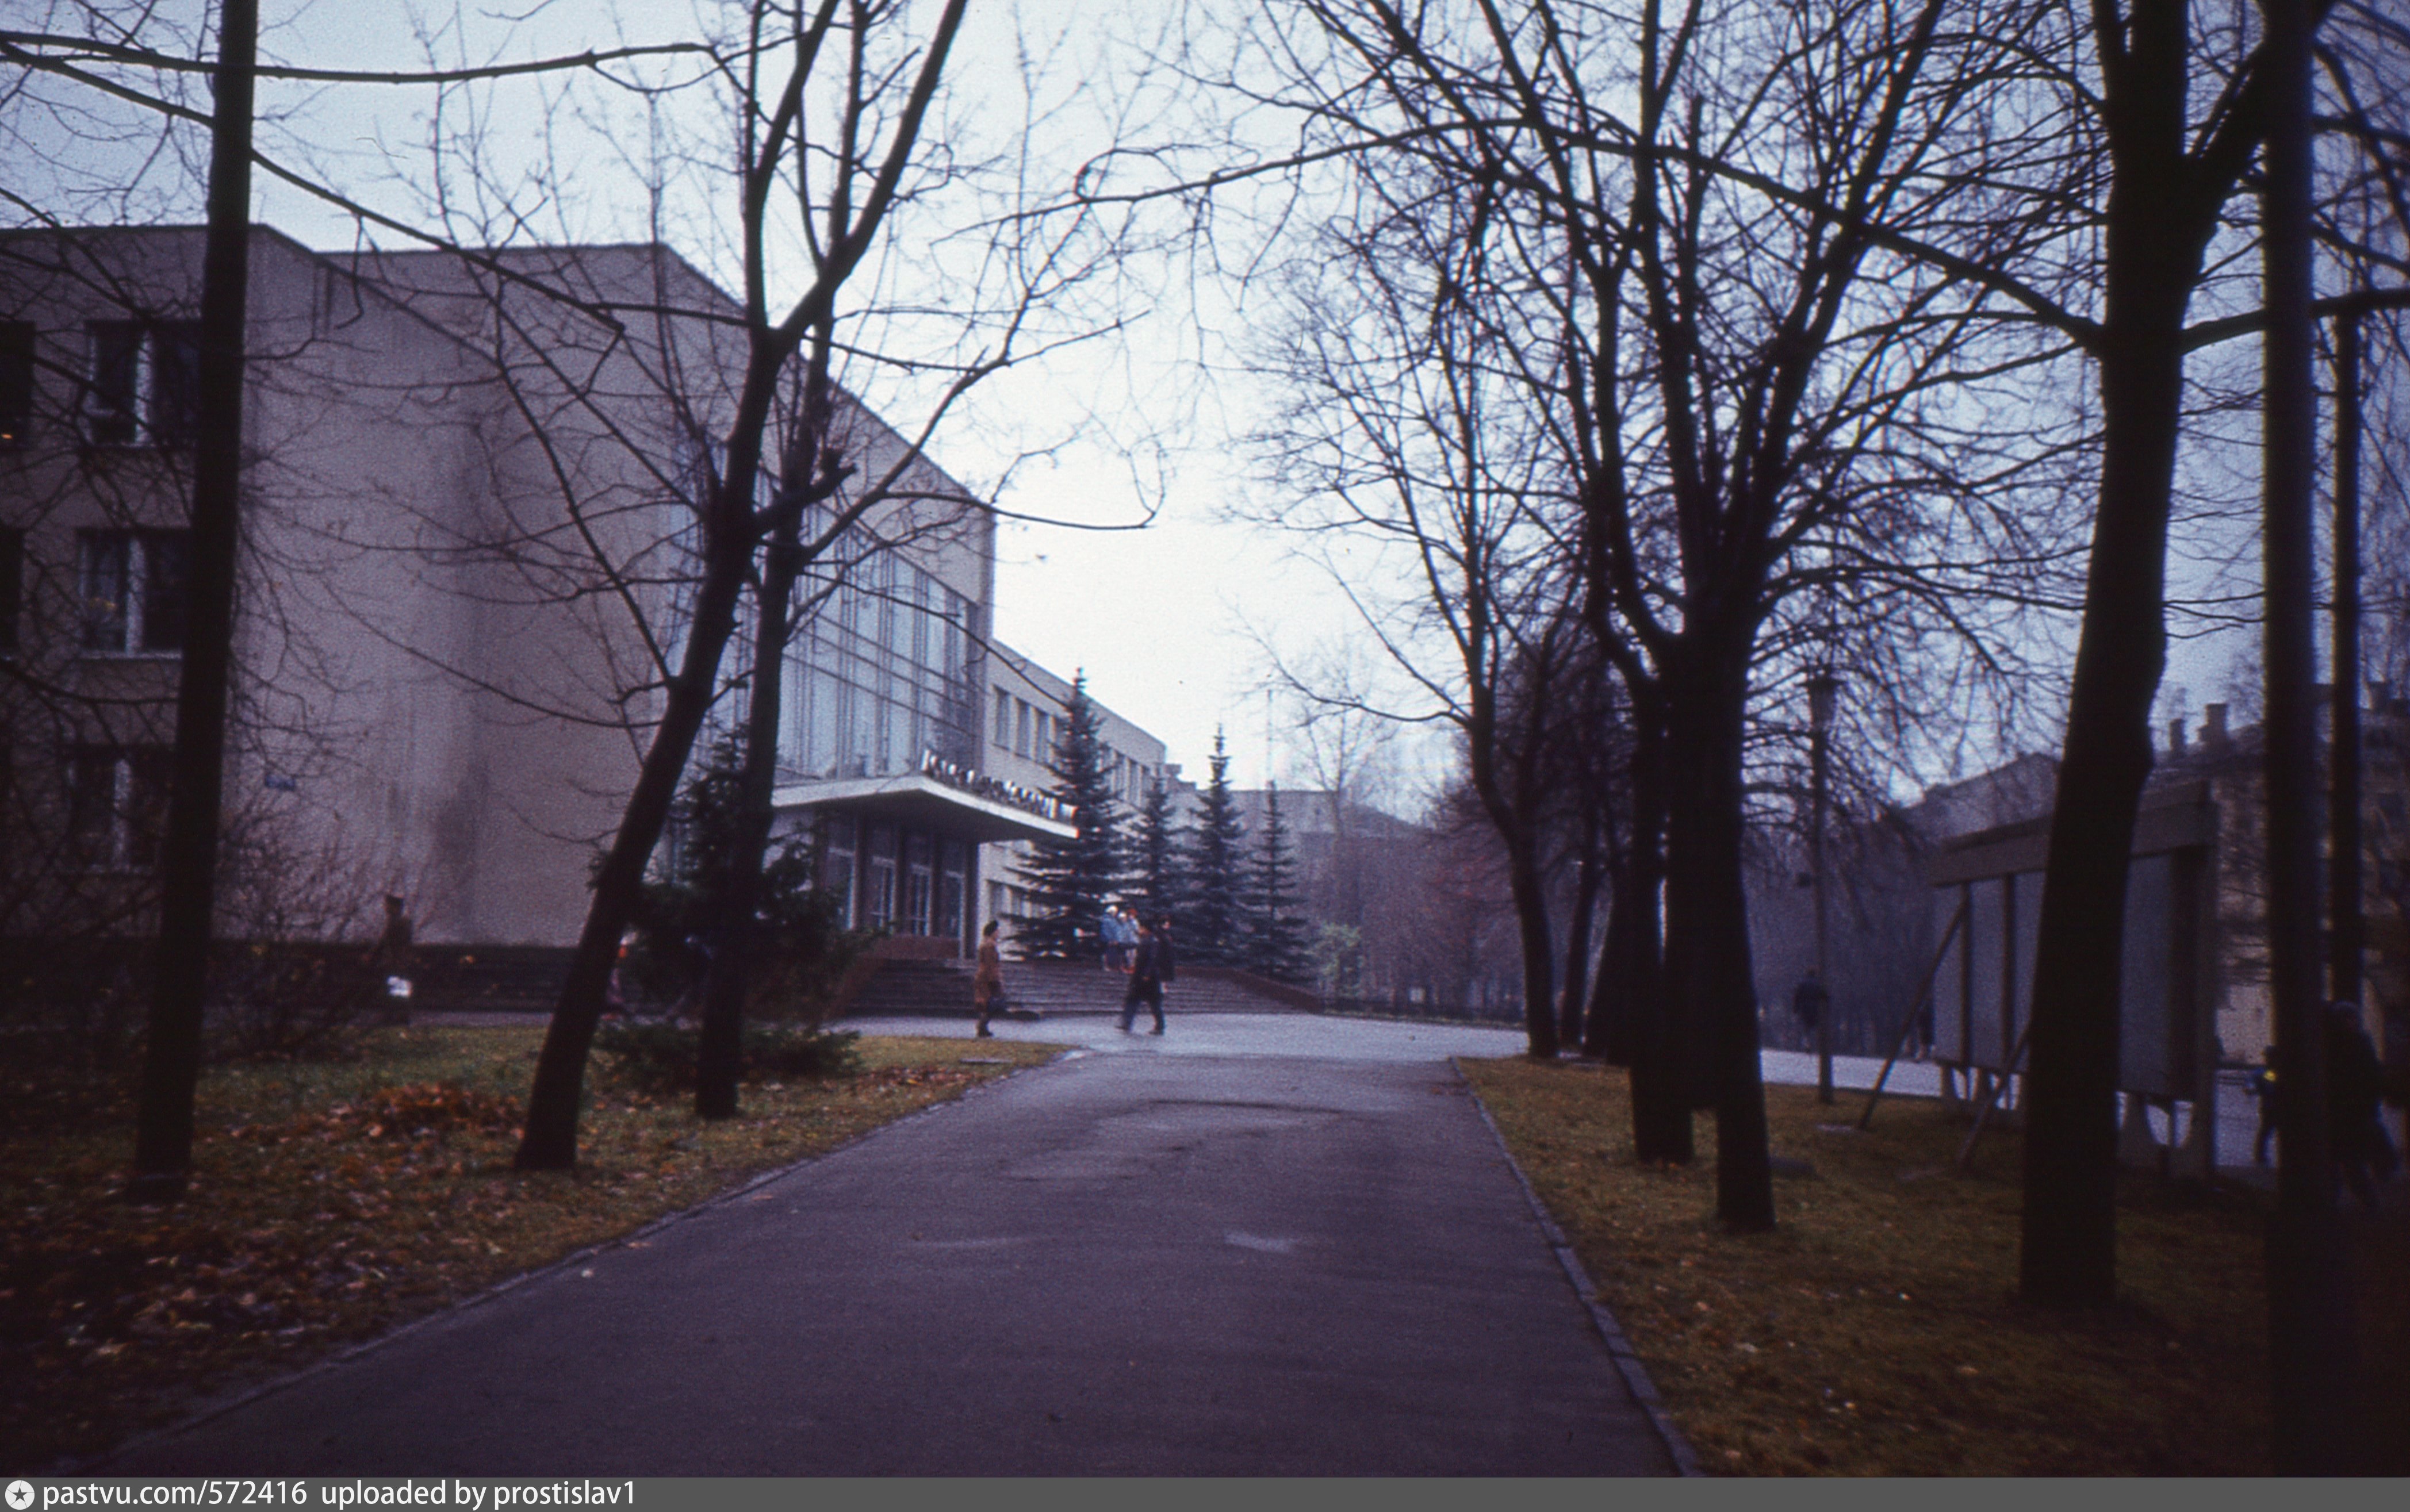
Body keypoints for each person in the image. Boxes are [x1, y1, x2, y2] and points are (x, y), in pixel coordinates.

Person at [2328, 1001, 2392, 1207]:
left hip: (2354, 1113)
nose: (2351, 1023)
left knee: (2350, 1161)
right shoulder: (2354, 1045)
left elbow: (2372, 1078)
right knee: (2347, 1161)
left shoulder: (2354, 1045)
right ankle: (2366, 1201)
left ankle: (2368, 1200)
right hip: (2348, 1113)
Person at [1120, 914, 1174, 1035]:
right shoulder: (1146, 941)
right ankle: (1126, 1023)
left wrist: (1147, 974)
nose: (1140, 930)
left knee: (1154, 1004)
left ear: (1146, 929)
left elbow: (1152, 959)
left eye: (1141, 928)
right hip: (1141, 977)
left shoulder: (1153, 942)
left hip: (1149, 978)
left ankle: (1160, 1026)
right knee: (1132, 1000)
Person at [973, 919, 1006, 1038]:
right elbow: (990, 964)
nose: (998, 934)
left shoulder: (987, 944)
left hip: (985, 976)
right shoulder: (989, 945)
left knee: (988, 1004)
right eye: (997, 932)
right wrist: (995, 980)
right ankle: (982, 1027)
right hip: (987, 978)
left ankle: (983, 1027)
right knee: (989, 1004)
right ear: (992, 932)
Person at [2248, 1045, 2280, 1166]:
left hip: (2273, 1106)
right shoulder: (2265, 1073)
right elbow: (2266, 1083)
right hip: (2270, 1107)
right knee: (2266, 1131)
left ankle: (2260, 1156)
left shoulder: (2268, 1072)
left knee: (2266, 1131)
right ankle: (2260, 1156)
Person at [1791, 969, 1828, 1051]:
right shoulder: (1817, 984)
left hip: (1804, 1008)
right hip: (1815, 1008)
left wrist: (1795, 1009)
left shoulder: (1802, 984)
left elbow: (1797, 997)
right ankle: (1815, 1043)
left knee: (1805, 1027)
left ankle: (1807, 1043)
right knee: (1813, 1025)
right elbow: (1823, 995)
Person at [1102, 904, 1135, 974]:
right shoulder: (1108, 920)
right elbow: (1109, 931)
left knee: (1117, 953)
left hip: (1117, 941)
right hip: (1112, 941)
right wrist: (1111, 940)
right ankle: (1110, 966)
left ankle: (1117, 966)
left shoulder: (1113, 920)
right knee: (1111, 953)